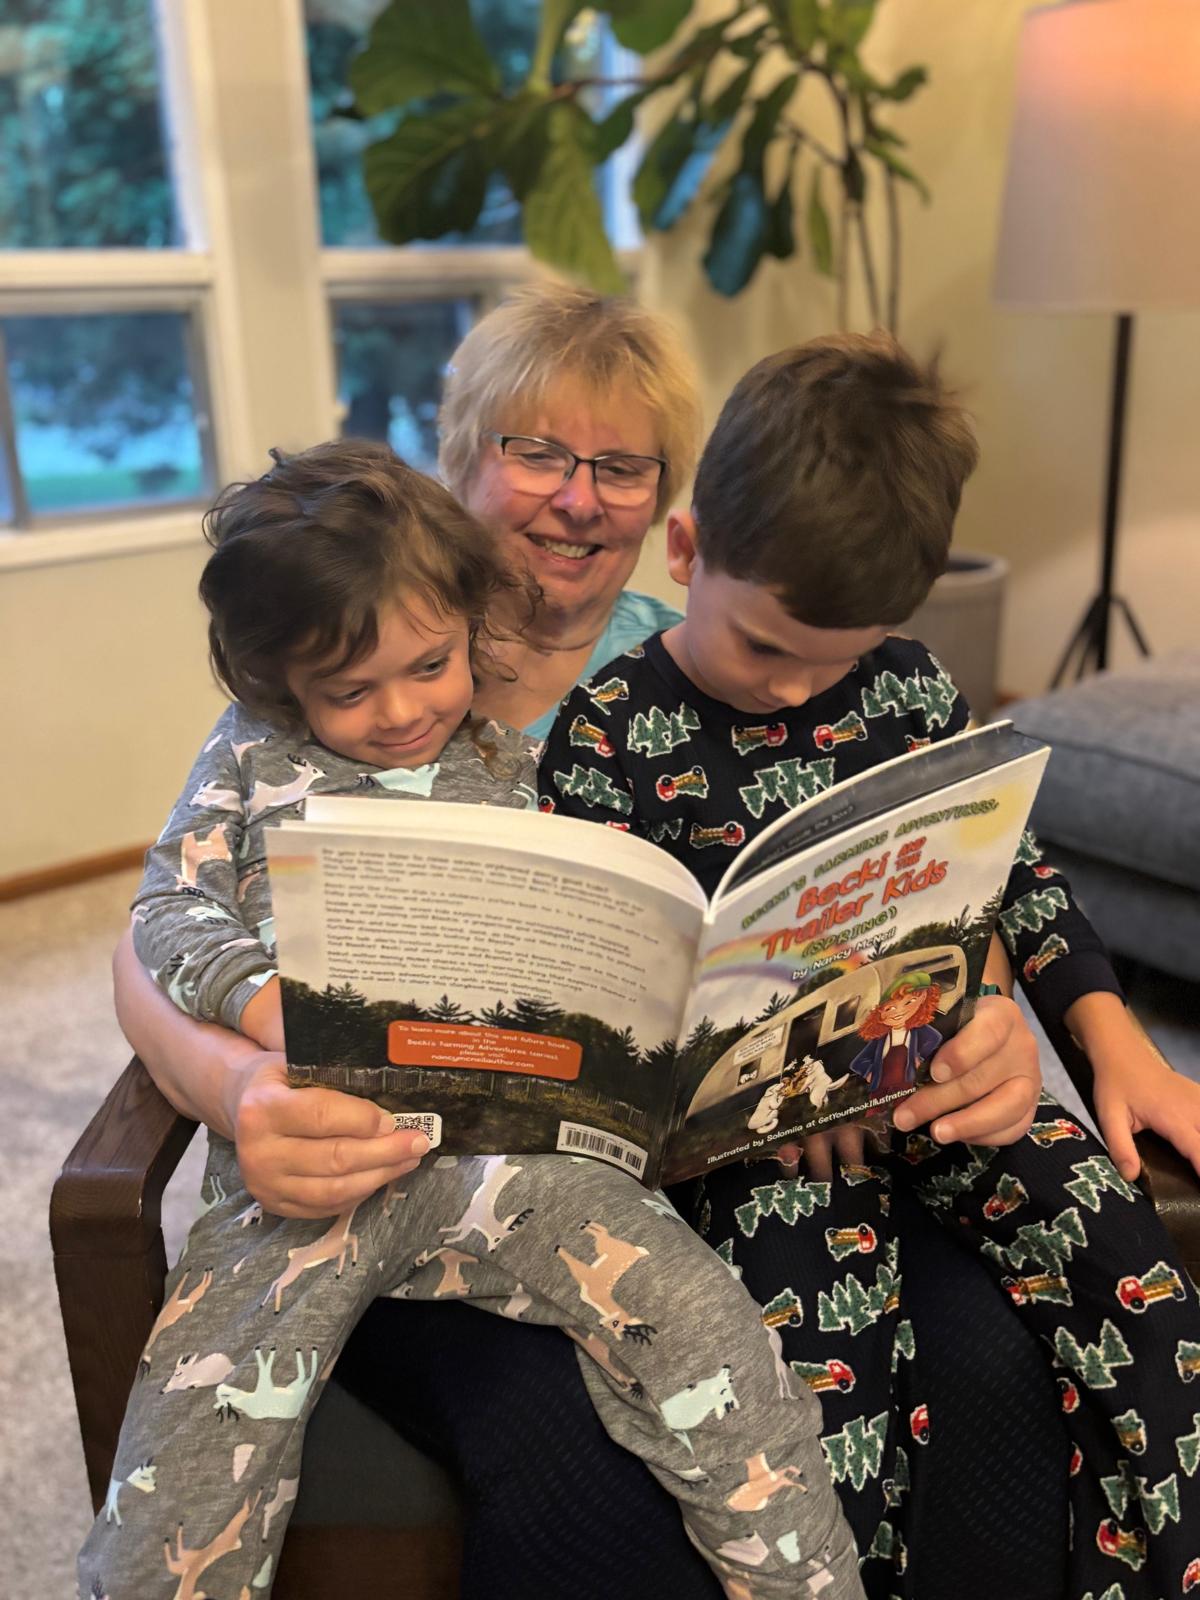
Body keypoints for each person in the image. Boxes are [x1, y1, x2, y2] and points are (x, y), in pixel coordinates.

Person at [106, 285, 1070, 1597]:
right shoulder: (329, 643)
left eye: (620, 465)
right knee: (579, 1489)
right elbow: (161, 922)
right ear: (454, 467)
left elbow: (889, 891)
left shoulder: (728, 644)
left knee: (992, 1373)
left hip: (712, 1168)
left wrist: (974, 1012)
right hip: (398, 1169)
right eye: (536, 451)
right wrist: (236, 1078)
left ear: (667, 499)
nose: (578, 497)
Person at [83, 439, 865, 1600]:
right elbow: (165, 911)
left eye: (431, 665)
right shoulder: (248, 757)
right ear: (278, 679)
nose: (400, 712)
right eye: (348, 691)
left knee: (716, 1336)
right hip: (317, 1173)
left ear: (467, 627)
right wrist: (267, 1010)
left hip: (527, 1166)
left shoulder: (504, 758)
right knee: (191, 1440)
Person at [538, 331, 1200, 1600]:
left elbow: (1017, 872)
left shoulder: (908, 690)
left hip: (940, 1080)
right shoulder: (612, 728)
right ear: (686, 556)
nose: (799, 688)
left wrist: (1116, 1044)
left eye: (835, 660)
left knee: (1149, 1300)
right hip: (758, 1154)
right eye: (765, 648)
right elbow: (599, 992)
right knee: (826, 1428)